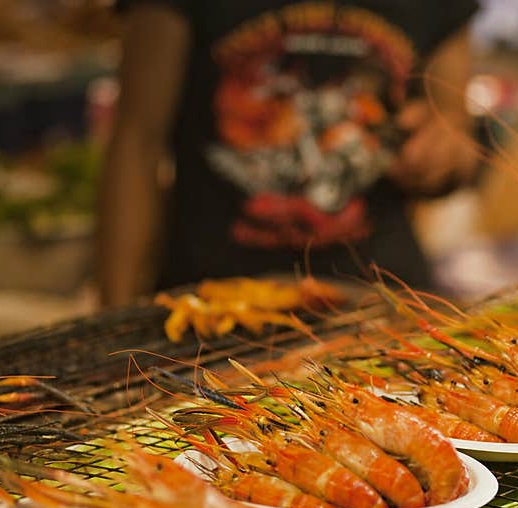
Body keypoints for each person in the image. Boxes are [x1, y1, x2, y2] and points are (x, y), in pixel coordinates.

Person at [97, 1, 479, 306]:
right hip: (213, 298)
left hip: (380, 294)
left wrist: (441, 155)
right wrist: (113, 315)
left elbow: (457, 131)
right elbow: (136, 143)